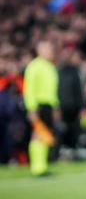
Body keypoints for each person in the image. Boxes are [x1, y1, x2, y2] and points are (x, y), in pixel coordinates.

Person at [23, 39, 59, 176]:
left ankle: (42, 166)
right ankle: (37, 168)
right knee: (38, 134)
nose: (50, 51)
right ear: (39, 50)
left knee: (45, 135)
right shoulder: (34, 66)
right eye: (47, 48)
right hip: (39, 105)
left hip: (48, 105)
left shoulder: (50, 66)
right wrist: (31, 108)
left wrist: (55, 106)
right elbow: (29, 89)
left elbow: (52, 90)